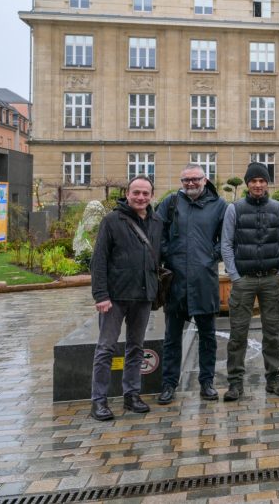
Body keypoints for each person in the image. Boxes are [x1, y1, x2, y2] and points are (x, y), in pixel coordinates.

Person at [89, 175, 162, 421]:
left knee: (136, 347)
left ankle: (131, 395)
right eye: (136, 193)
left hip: (142, 296)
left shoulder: (156, 222)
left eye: (145, 193)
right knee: (106, 348)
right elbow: (98, 260)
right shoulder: (112, 220)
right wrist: (100, 295)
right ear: (127, 194)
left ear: (152, 195)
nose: (140, 197)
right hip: (115, 297)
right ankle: (98, 401)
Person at [220, 162, 279, 401]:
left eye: (262, 180)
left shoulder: (278, 208)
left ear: (267, 183)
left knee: (273, 333)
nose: (258, 185)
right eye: (254, 181)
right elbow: (227, 244)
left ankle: (274, 378)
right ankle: (235, 382)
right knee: (238, 333)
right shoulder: (235, 209)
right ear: (248, 183)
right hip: (244, 281)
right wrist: (235, 276)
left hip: (271, 279)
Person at [156, 164, 227, 405]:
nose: (190, 184)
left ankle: (206, 382)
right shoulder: (171, 202)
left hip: (204, 279)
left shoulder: (219, 205)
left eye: (195, 179)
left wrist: (211, 256)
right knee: (172, 336)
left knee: (207, 336)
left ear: (205, 180)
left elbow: (226, 238)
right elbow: (158, 232)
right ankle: (168, 384)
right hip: (176, 281)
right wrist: (169, 253)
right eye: (186, 180)